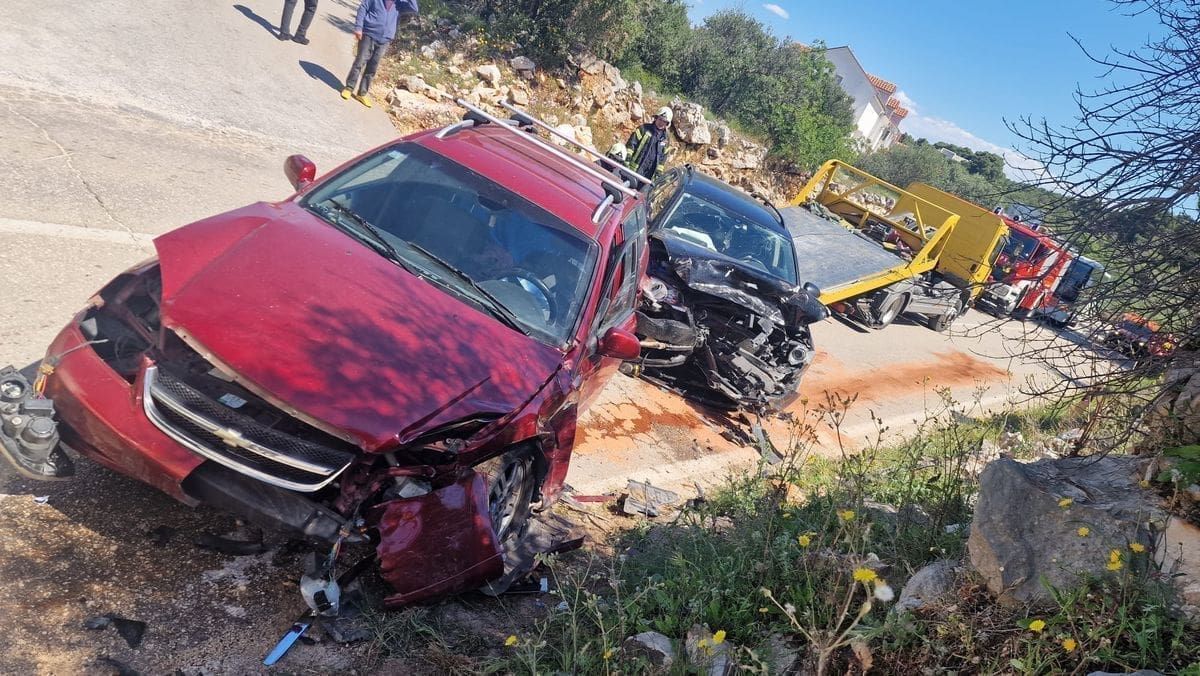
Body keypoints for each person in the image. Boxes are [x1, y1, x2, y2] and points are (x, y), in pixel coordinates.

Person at [342, 0, 418, 107]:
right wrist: (358, 27)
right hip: (369, 34)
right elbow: (363, 8)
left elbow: (414, 9)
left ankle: (362, 93)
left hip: (385, 39)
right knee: (359, 62)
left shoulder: (399, 3)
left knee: (372, 67)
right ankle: (349, 88)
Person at [626, 107, 672, 181]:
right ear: (656, 118)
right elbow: (631, 144)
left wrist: (658, 172)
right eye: (660, 119)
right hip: (634, 170)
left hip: (649, 175)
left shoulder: (666, 139)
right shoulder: (643, 129)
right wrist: (627, 158)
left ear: (667, 123)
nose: (661, 123)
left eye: (664, 121)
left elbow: (663, 158)